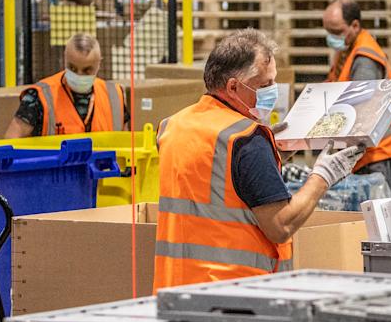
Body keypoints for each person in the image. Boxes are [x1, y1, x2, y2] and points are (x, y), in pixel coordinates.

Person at [153, 28, 365, 291]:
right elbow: (281, 225)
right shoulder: (246, 140)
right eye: (265, 85)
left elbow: (214, 181)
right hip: (235, 293)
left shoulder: (173, 126)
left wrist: (271, 156)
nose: (272, 91)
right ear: (233, 87)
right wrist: (323, 176)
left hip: (176, 287)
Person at [323, 0, 391, 195]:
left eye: (336, 31)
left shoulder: (364, 60)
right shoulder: (347, 47)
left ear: (355, 25)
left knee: (380, 210)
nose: (332, 37)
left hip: (386, 150)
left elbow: (359, 109)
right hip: (373, 149)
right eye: (328, 31)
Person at [4, 33, 127, 138]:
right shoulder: (40, 97)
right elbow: (12, 140)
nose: (79, 74)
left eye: (87, 70)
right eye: (72, 68)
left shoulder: (115, 96)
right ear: (64, 60)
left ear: (98, 65)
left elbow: (125, 143)